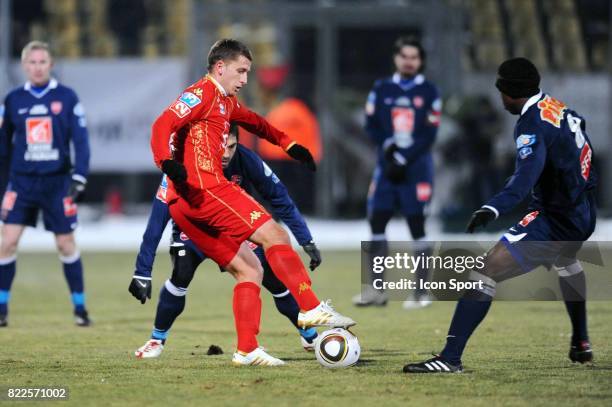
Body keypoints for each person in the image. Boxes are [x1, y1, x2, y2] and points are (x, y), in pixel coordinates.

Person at [149, 39, 355, 366]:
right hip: (205, 187)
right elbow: (163, 124)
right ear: (220, 67)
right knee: (275, 235)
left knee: (250, 268)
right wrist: (165, 162)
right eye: (241, 71)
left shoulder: (226, 102)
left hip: (185, 204)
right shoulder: (201, 93)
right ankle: (312, 308)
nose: (245, 79)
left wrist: (290, 145)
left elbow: (256, 123)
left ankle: (246, 349)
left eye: (248, 72)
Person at [403, 57, 597, 373]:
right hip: (583, 211)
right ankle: (581, 341)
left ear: (509, 91)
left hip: (556, 217)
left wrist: (493, 207)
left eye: (500, 88)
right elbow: (581, 135)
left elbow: (524, 177)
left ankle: (450, 358)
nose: (499, 95)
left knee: (484, 270)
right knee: (566, 259)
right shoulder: (557, 107)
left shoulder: (531, 123)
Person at [130, 124, 322, 358]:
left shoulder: (247, 159)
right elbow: (157, 220)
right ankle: (156, 340)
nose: (227, 154)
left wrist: (306, 240)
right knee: (182, 272)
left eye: (231, 146)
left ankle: (310, 336)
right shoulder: (183, 164)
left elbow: (279, 197)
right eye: (222, 147)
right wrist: (143, 271)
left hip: (232, 230)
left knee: (272, 278)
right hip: (192, 230)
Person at [0, 41, 91, 327]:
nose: (37, 67)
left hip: (56, 184)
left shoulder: (66, 97)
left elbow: (81, 140)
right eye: (32, 62)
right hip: (22, 183)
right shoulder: (13, 100)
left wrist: (79, 175)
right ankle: (2, 309)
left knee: (66, 244)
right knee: (7, 243)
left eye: (42, 62)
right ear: (24, 66)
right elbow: (3, 147)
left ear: (51, 65)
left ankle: (80, 308)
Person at [353, 37, 441, 309]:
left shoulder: (428, 91)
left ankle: (420, 292)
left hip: (417, 170)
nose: (409, 61)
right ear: (396, 58)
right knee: (376, 221)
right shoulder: (381, 89)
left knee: (417, 225)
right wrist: (390, 147)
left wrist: (405, 156)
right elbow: (371, 124)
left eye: (414, 57)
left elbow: (429, 133)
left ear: (420, 61)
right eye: (405, 56)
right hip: (386, 168)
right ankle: (376, 290)